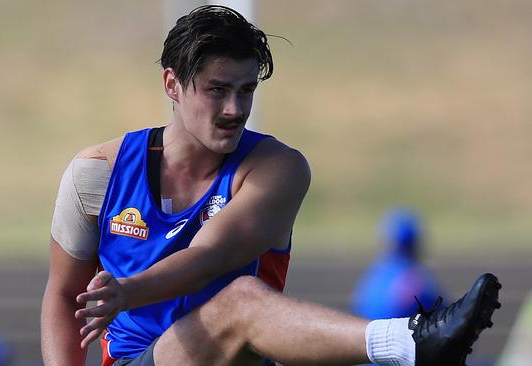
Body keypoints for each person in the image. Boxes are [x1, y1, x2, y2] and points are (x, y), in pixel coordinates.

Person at [41, 5, 501, 366]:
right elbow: (64, 296)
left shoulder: (279, 169)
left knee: (239, 303)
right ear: (172, 84)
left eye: (246, 90)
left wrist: (128, 291)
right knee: (239, 302)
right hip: (141, 361)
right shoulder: (96, 174)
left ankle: (411, 346)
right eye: (217, 89)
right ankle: (411, 344)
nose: (235, 109)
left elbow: (208, 258)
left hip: (240, 360)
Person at [351, 208, 446, 320]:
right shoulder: (416, 278)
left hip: (365, 334)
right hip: (402, 335)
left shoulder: (372, 277)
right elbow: (443, 313)